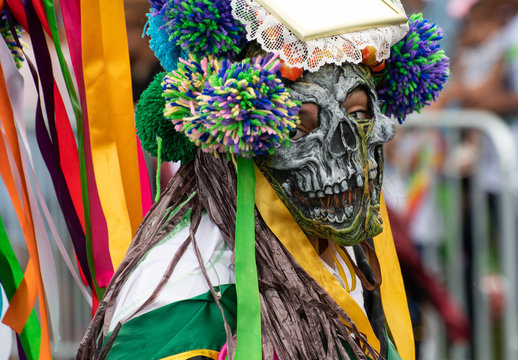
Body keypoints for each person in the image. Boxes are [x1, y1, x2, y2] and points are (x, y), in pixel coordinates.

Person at [78, 1, 449, 359]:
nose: (345, 147)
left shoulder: (344, 255)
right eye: (302, 124)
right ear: (243, 130)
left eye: (359, 112)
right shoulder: (184, 299)